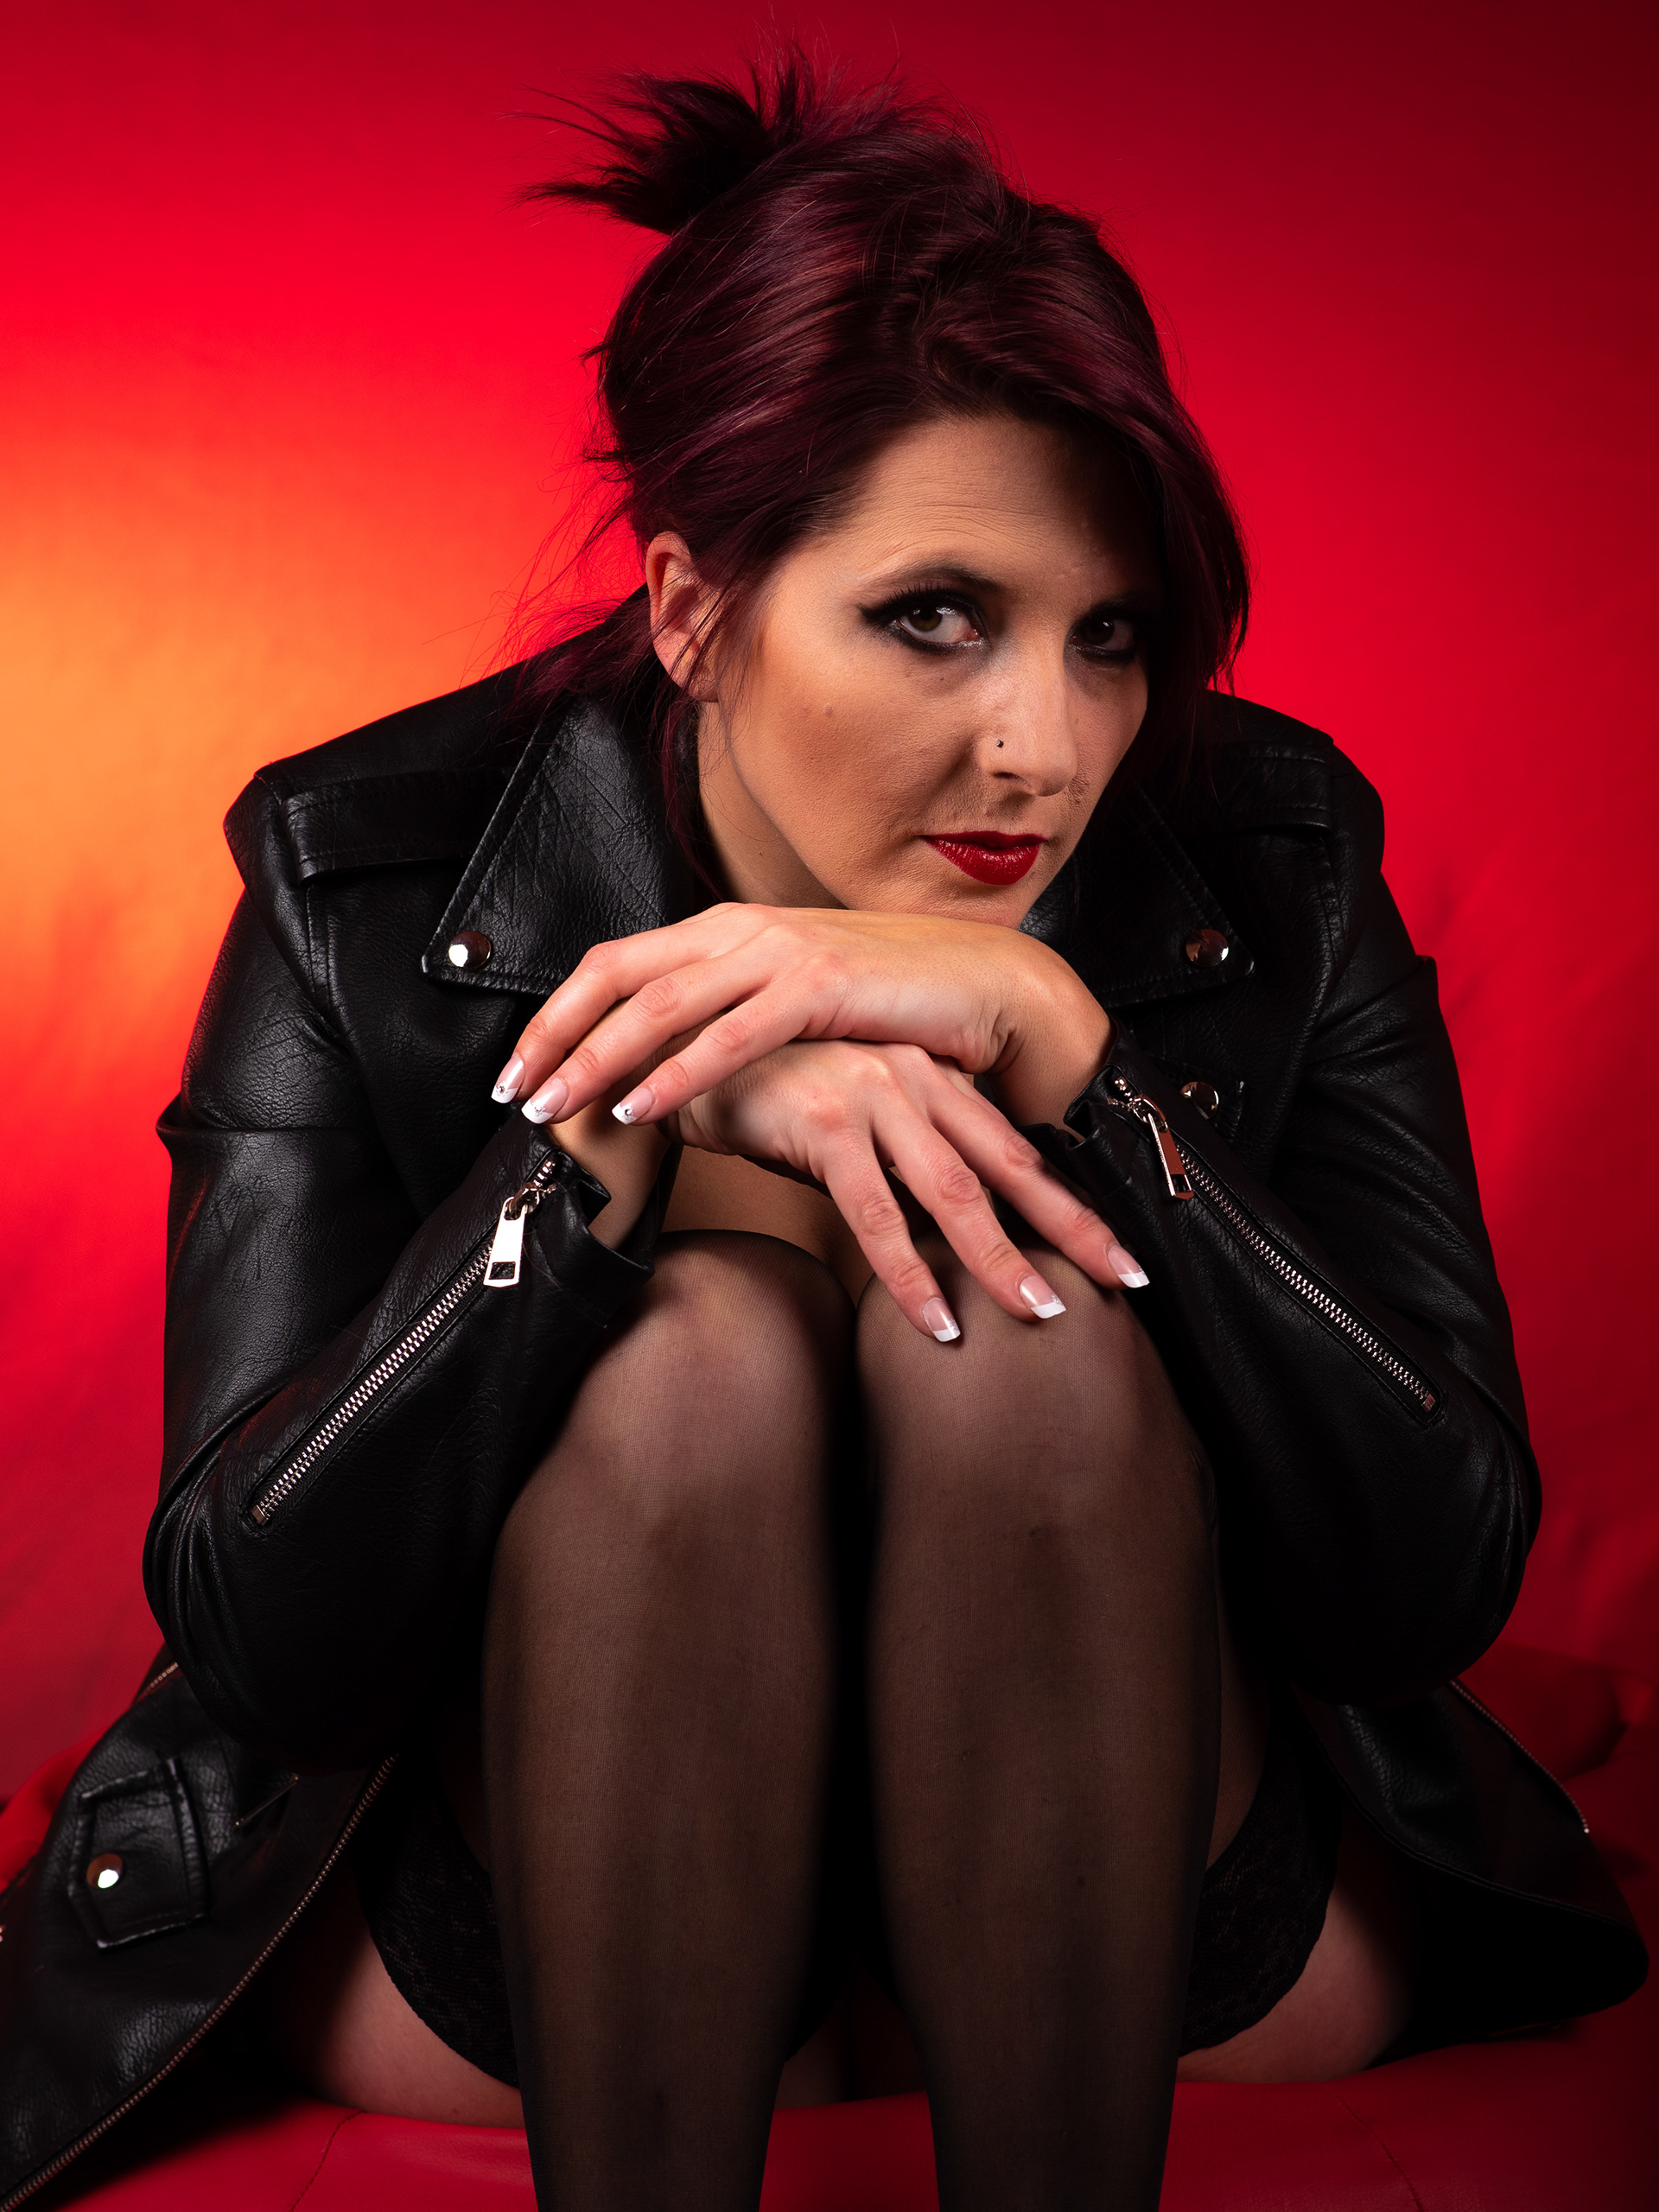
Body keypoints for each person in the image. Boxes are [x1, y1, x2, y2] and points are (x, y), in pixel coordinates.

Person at [0, 48, 1643, 2212]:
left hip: (1160, 1925)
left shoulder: (1269, 849)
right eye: (933, 616)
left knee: (1022, 1336)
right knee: (696, 1358)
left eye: (1110, 635)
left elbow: (1429, 1570)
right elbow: (266, 1636)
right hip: (535, 1936)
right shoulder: (366, 870)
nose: (1044, 747)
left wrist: (1083, 1072)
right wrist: (611, 1127)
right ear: (693, 608)